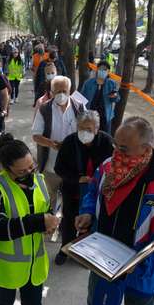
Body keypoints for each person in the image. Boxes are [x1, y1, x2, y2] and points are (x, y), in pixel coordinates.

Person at [76, 117, 154, 305]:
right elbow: (92, 192)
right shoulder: (106, 168)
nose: (116, 153)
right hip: (101, 266)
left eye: (124, 149)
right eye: (115, 145)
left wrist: (142, 266)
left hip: (141, 281)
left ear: (146, 148)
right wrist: (87, 212)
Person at [0, 134, 60, 305]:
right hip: (6, 267)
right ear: (7, 169)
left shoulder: (39, 180)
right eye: (22, 171)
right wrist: (39, 222)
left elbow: (45, 209)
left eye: (32, 166)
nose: (29, 173)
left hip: (35, 265)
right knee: (4, 303)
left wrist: (49, 223)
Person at [52, 111, 114, 265]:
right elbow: (59, 168)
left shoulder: (106, 142)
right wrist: (78, 179)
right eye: (81, 128)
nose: (84, 133)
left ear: (97, 129)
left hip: (96, 195)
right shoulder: (69, 142)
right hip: (73, 191)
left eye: (88, 129)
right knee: (69, 223)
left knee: (92, 224)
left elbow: (114, 166)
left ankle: (86, 254)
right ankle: (65, 248)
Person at [32, 76, 85, 210]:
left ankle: (65, 227)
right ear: (51, 92)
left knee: (71, 203)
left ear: (69, 90)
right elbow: (36, 135)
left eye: (64, 91)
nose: (61, 94)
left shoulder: (79, 108)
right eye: (57, 91)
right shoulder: (44, 109)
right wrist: (51, 143)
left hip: (73, 168)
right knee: (50, 201)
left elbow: (87, 131)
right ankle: (50, 226)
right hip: (51, 167)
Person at [80, 60, 120, 134]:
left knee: (103, 137)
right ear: (97, 70)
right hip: (90, 116)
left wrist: (114, 96)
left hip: (105, 116)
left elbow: (117, 99)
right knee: (90, 135)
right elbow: (81, 98)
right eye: (100, 69)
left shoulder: (112, 83)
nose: (102, 71)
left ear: (108, 72)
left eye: (105, 69)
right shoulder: (88, 83)